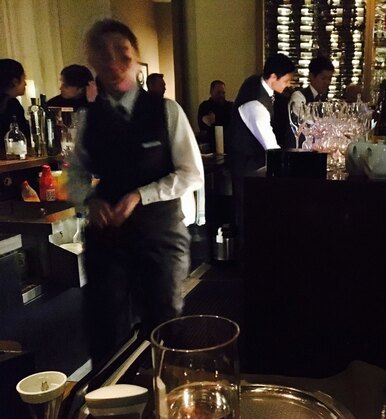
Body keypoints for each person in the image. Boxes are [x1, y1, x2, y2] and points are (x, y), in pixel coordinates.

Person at [69, 19, 204, 364]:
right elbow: (76, 175)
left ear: (135, 57)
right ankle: (111, 398)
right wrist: (88, 200)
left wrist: (141, 195)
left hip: (160, 236)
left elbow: (192, 174)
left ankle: (168, 394)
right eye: (103, 54)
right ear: (92, 61)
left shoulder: (166, 110)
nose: (114, 62)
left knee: (164, 330)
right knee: (105, 333)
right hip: (107, 241)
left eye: (122, 53)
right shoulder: (88, 119)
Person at [228, 53, 294, 233]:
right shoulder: (255, 104)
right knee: (247, 215)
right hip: (246, 165)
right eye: (286, 81)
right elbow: (271, 147)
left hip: (250, 163)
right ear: (273, 77)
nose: (288, 85)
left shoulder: (256, 82)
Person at [274, 55, 334, 148]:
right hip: (298, 148)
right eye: (323, 78)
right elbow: (305, 122)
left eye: (329, 79)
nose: (327, 82)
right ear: (311, 76)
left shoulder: (323, 100)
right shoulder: (298, 97)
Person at [0, 58, 30, 156]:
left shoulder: (11, 102)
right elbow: (24, 132)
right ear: (15, 81)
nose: (25, 83)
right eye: (24, 78)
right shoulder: (12, 104)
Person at [197, 79, 233, 151]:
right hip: (211, 146)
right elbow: (209, 121)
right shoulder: (205, 106)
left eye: (223, 93)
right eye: (218, 93)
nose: (221, 95)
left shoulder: (230, 106)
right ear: (211, 92)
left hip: (229, 145)